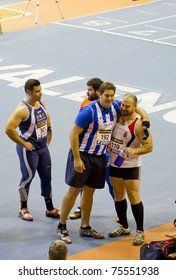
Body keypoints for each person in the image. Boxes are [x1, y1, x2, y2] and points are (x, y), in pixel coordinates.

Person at [56, 82, 149, 244]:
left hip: (99, 157)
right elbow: (73, 133)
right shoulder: (89, 111)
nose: (110, 98)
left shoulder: (116, 106)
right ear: (100, 95)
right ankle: (62, 225)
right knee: (74, 190)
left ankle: (85, 226)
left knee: (89, 191)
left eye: (112, 96)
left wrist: (146, 119)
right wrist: (77, 158)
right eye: (107, 95)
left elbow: (135, 107)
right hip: (83, 155)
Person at [5, 79, 60, 221]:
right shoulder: (22, 110)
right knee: (27, 177)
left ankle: (50, 208)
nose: (40, 93)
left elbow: (46, 118)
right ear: (28, 92)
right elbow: (8, 129)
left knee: (47, 177)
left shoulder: (41, 102)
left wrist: (49, 131)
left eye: (40, 90)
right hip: (29, 150)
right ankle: (23, 208)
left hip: (43, 148)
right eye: (37, 91)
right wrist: (24, 144)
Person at [108, 93, 153, 246]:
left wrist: (135, 151)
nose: (124, 108)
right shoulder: (116, 116)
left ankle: (140, 231)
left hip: (131, 166)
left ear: (135, 107)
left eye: (128, 106)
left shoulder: (138, 124)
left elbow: (149, 146)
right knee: (118, 195)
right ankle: (124, 226)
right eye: (123, 105)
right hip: (115, 164)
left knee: (133, 196)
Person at [69, 77, 115, 220]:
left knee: (112, 181)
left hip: (105, 152)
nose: (87, 92)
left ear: (98, 91)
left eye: (90, 90)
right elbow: (78, 129)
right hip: (89, 151)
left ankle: (119, 208)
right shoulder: (86, 105)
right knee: (84, 183)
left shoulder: (113, 106)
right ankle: (81, 208)